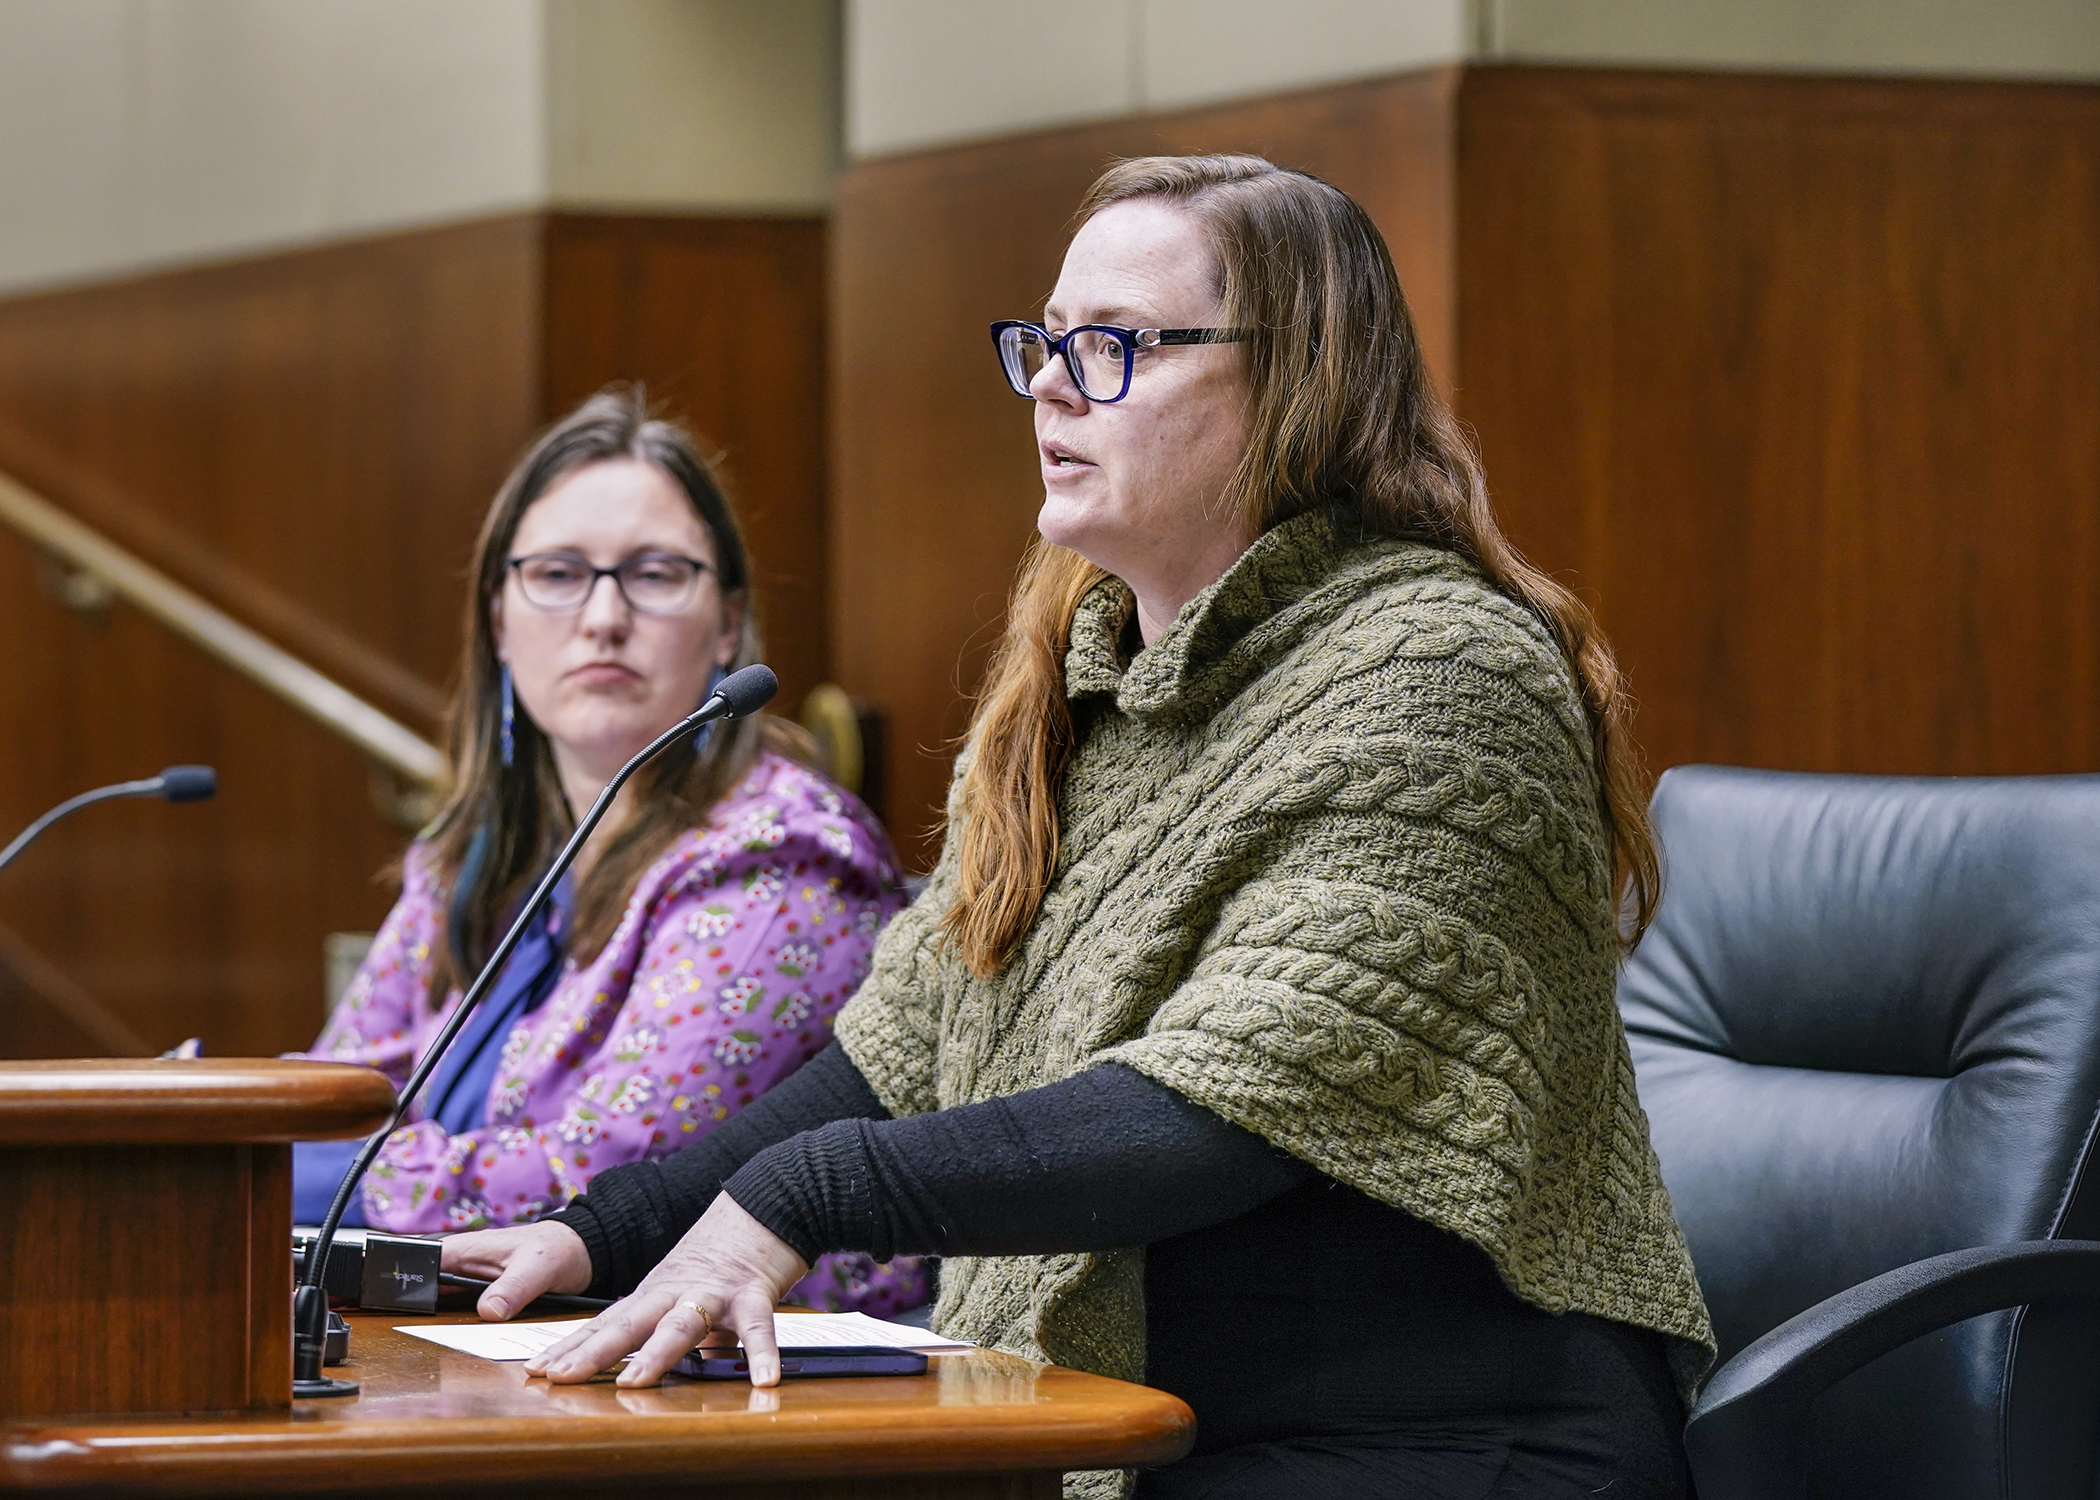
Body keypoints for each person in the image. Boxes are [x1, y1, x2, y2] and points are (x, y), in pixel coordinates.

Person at [442, 158, 1717, 1497]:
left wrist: (805, 1198)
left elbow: (1234, 1107)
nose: (1052, 383)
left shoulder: (1438, 674)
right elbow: (906, 1049)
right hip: (1146, 1426)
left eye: (1111, 346)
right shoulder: (1083, 680)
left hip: (1442, 1445)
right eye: (1046, 343)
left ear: (1296, 379)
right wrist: (607, 1231)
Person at [294, 388, 922, 1318]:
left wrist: (291, 1166)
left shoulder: (788, 860)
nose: (601, 616)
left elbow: (592, 1179)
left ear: (727, 623)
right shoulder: (475, 853)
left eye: (656, 573)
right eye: (556, 573)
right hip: (470, 1325)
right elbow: (337, 1091)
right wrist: (246, 1130)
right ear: (498, 622)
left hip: (736, 1367)